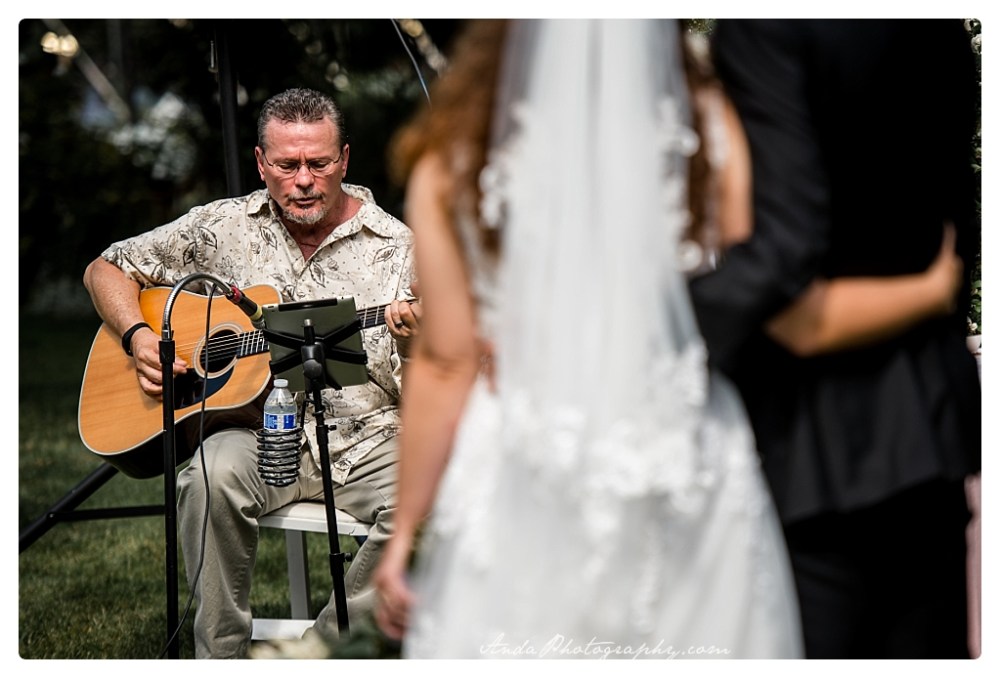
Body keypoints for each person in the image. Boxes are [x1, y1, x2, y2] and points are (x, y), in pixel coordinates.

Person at [369, 19, 808, 659]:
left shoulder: (455, 158)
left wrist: (405, 533)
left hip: (531, 451)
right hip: (678, 446)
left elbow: (444, 361)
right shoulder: (707, 126)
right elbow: (755, 283)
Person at [82, 87, 419, 658]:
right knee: (207, 476)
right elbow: (106, 268)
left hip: (369, 440)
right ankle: (222, 658)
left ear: (344, 160)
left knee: (440, 495)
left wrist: (417, 343)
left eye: (318, 163)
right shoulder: (223, 225)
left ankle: (318, 654)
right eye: (287, 165)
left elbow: (421, 392)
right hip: (259, 432)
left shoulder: (398, 247)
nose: (304, 180)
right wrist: (140, 336)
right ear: (262, 163)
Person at [689, 20, 981, 658]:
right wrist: (935, 292)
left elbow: (784, 256)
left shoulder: (764, 29)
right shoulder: (936, 27)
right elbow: (957, 209)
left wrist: (658, 326)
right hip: (929, 419)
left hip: (810, 436)